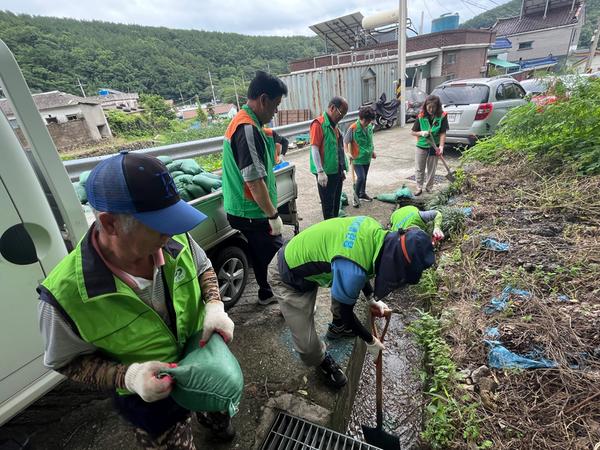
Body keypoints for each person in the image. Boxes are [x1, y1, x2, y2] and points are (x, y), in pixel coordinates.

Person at [37, 152, 237, 449]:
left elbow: (203, 266)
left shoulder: (174, 239)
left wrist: (214, 303)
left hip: (203, 359)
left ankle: (216, 423)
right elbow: (65, 362)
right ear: (110, 224)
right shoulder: (66, 296)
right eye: (159, 223)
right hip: (152, 397)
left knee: (217, 404)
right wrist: (128, 377)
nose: (172, 231)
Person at [268, 216, 435, 388]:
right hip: (287, 277)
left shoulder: (373, 227)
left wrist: (371, 299)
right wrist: (370, 340)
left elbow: (362, 262)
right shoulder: (352, 269)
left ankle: (326, 323)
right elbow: (346, 311)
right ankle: (322, 360)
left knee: (344, 282)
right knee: (308, 349)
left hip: (308, 263)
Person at [222, 71, 288, 306]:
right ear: (263, 100)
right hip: (250, 211)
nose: (276, 111)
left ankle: (265, 293)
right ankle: (287, 299)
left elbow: (276, 140)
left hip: (246, 209)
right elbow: (253, 181)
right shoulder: (246, 128)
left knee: (262, 253)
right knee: (281, 257)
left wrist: (279, 148)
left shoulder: (253, 125)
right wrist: (273, 215)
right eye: (276, 105)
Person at [310, 96, 349, 219]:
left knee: (336, 204)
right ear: (332, 108)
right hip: (325, 174)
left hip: (336, 172)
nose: (342, 117)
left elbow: (338, 149)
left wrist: (341, 169)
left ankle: (335, 227)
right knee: (328, 207)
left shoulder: (334, 126)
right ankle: (329, 232)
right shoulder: (318, 124)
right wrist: (320, 171)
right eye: (341, 113)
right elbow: (314, 148)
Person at [411, 95, 449, 196]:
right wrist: (421, 133)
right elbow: (413, 132)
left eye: (433, 107)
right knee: (419, 168)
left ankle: (429, 187)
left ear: (437, 107)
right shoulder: (421, 116)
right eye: (429, 107)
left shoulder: (442, 116)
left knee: (432, 168)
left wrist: (441, 146)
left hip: (434, 146)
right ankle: (419, 187)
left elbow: (442, 132)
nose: (431, 110)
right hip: (422, 145)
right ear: (425, 106)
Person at [344, 106, 377, 203]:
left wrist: (372, 152)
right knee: (361, 177)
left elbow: (370, 141)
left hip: (367, 158)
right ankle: (356, 197)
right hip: (357, 158)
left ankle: (362, 194)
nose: (367, 124)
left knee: (364, 177)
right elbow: (345, 142)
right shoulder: (353, 128)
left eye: (369, 121)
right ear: (360, 118)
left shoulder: (370, 127)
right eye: (366, 121)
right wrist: (348, 153)